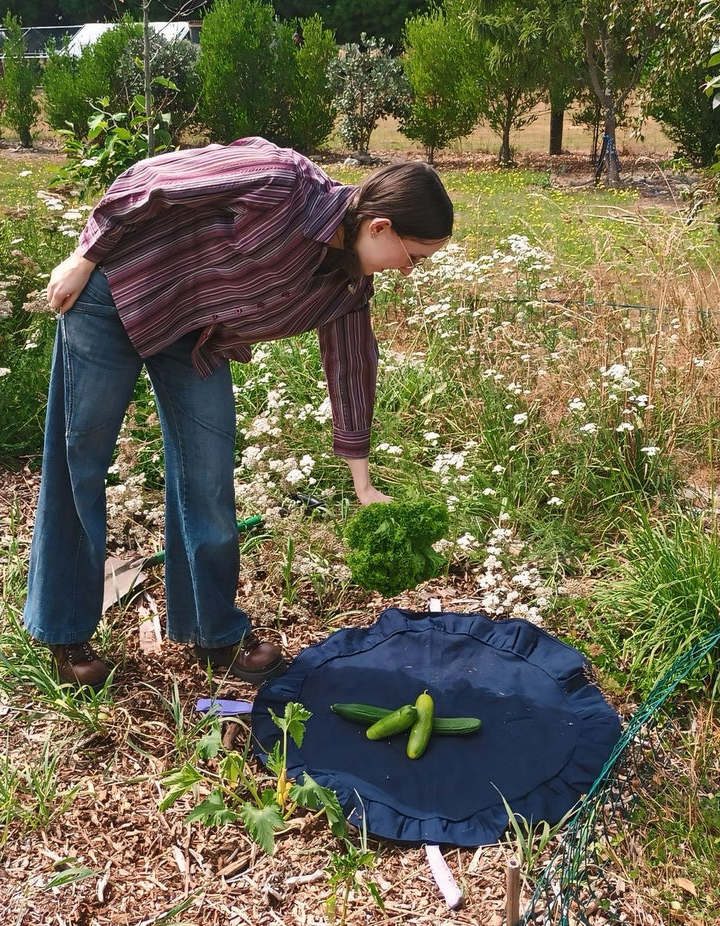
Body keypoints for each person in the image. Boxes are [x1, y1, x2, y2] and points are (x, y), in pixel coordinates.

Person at [26, 137, 453, 688]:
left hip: (193, 339)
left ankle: (211, 632)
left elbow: (351, 372)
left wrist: (364, 485)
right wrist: (84, 257)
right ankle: (65, 632)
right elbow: (152, 182)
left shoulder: (347, 286)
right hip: (118, 293)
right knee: (78, 459)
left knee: (208, 475)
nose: (409, 272)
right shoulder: (281, 179)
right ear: (380, 227)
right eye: (412, 256)